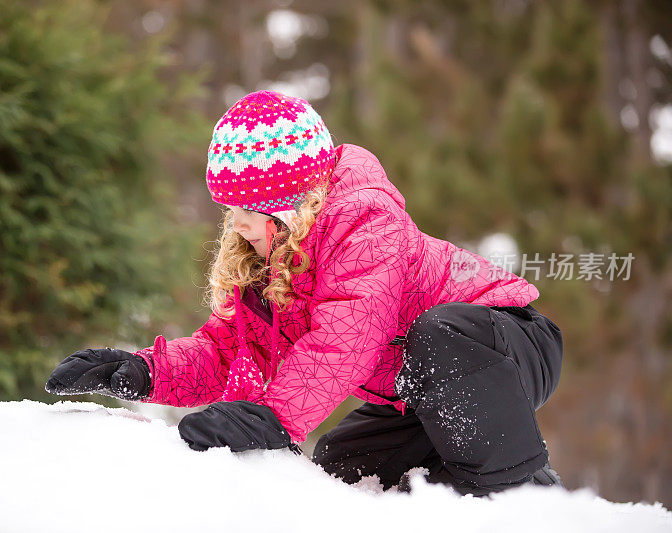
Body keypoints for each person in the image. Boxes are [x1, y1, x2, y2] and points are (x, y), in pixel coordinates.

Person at [45, 90, 564, 496]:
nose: (238, 223)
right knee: (344, 468)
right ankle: (452, 496)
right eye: (232, 208)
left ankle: (526, 503)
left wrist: (275, 418)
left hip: (501, 346)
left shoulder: (363, 220)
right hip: (416, 392)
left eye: (249, 207)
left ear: (292, 199)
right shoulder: (271, 259)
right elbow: (229, 351)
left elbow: (347, 335)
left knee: (439, 335)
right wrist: (143, 372)